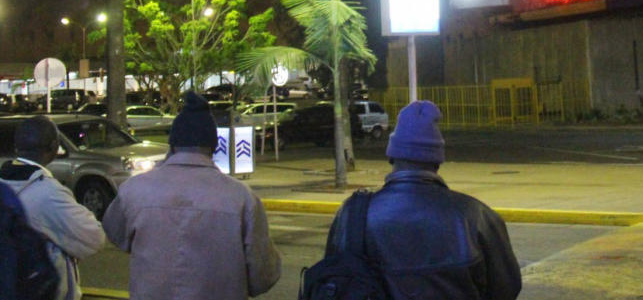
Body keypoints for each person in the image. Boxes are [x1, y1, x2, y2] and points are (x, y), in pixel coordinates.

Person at [325, 100, 522, 300]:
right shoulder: (476, 215)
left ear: (392, 157)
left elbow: (332, 281)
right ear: (437, 160)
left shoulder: (352, 214)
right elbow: (506, 288)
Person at [103, 91, 281, 300]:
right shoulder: (241, 198)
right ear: (213, 146)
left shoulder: (135, 189)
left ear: (173, 144)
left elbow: (116, 234)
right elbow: (263, 276)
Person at [0, 115, 106, 300]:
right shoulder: (48, 193)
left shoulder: (4, 185)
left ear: (17, 147)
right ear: (54, 147)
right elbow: (94, 237)